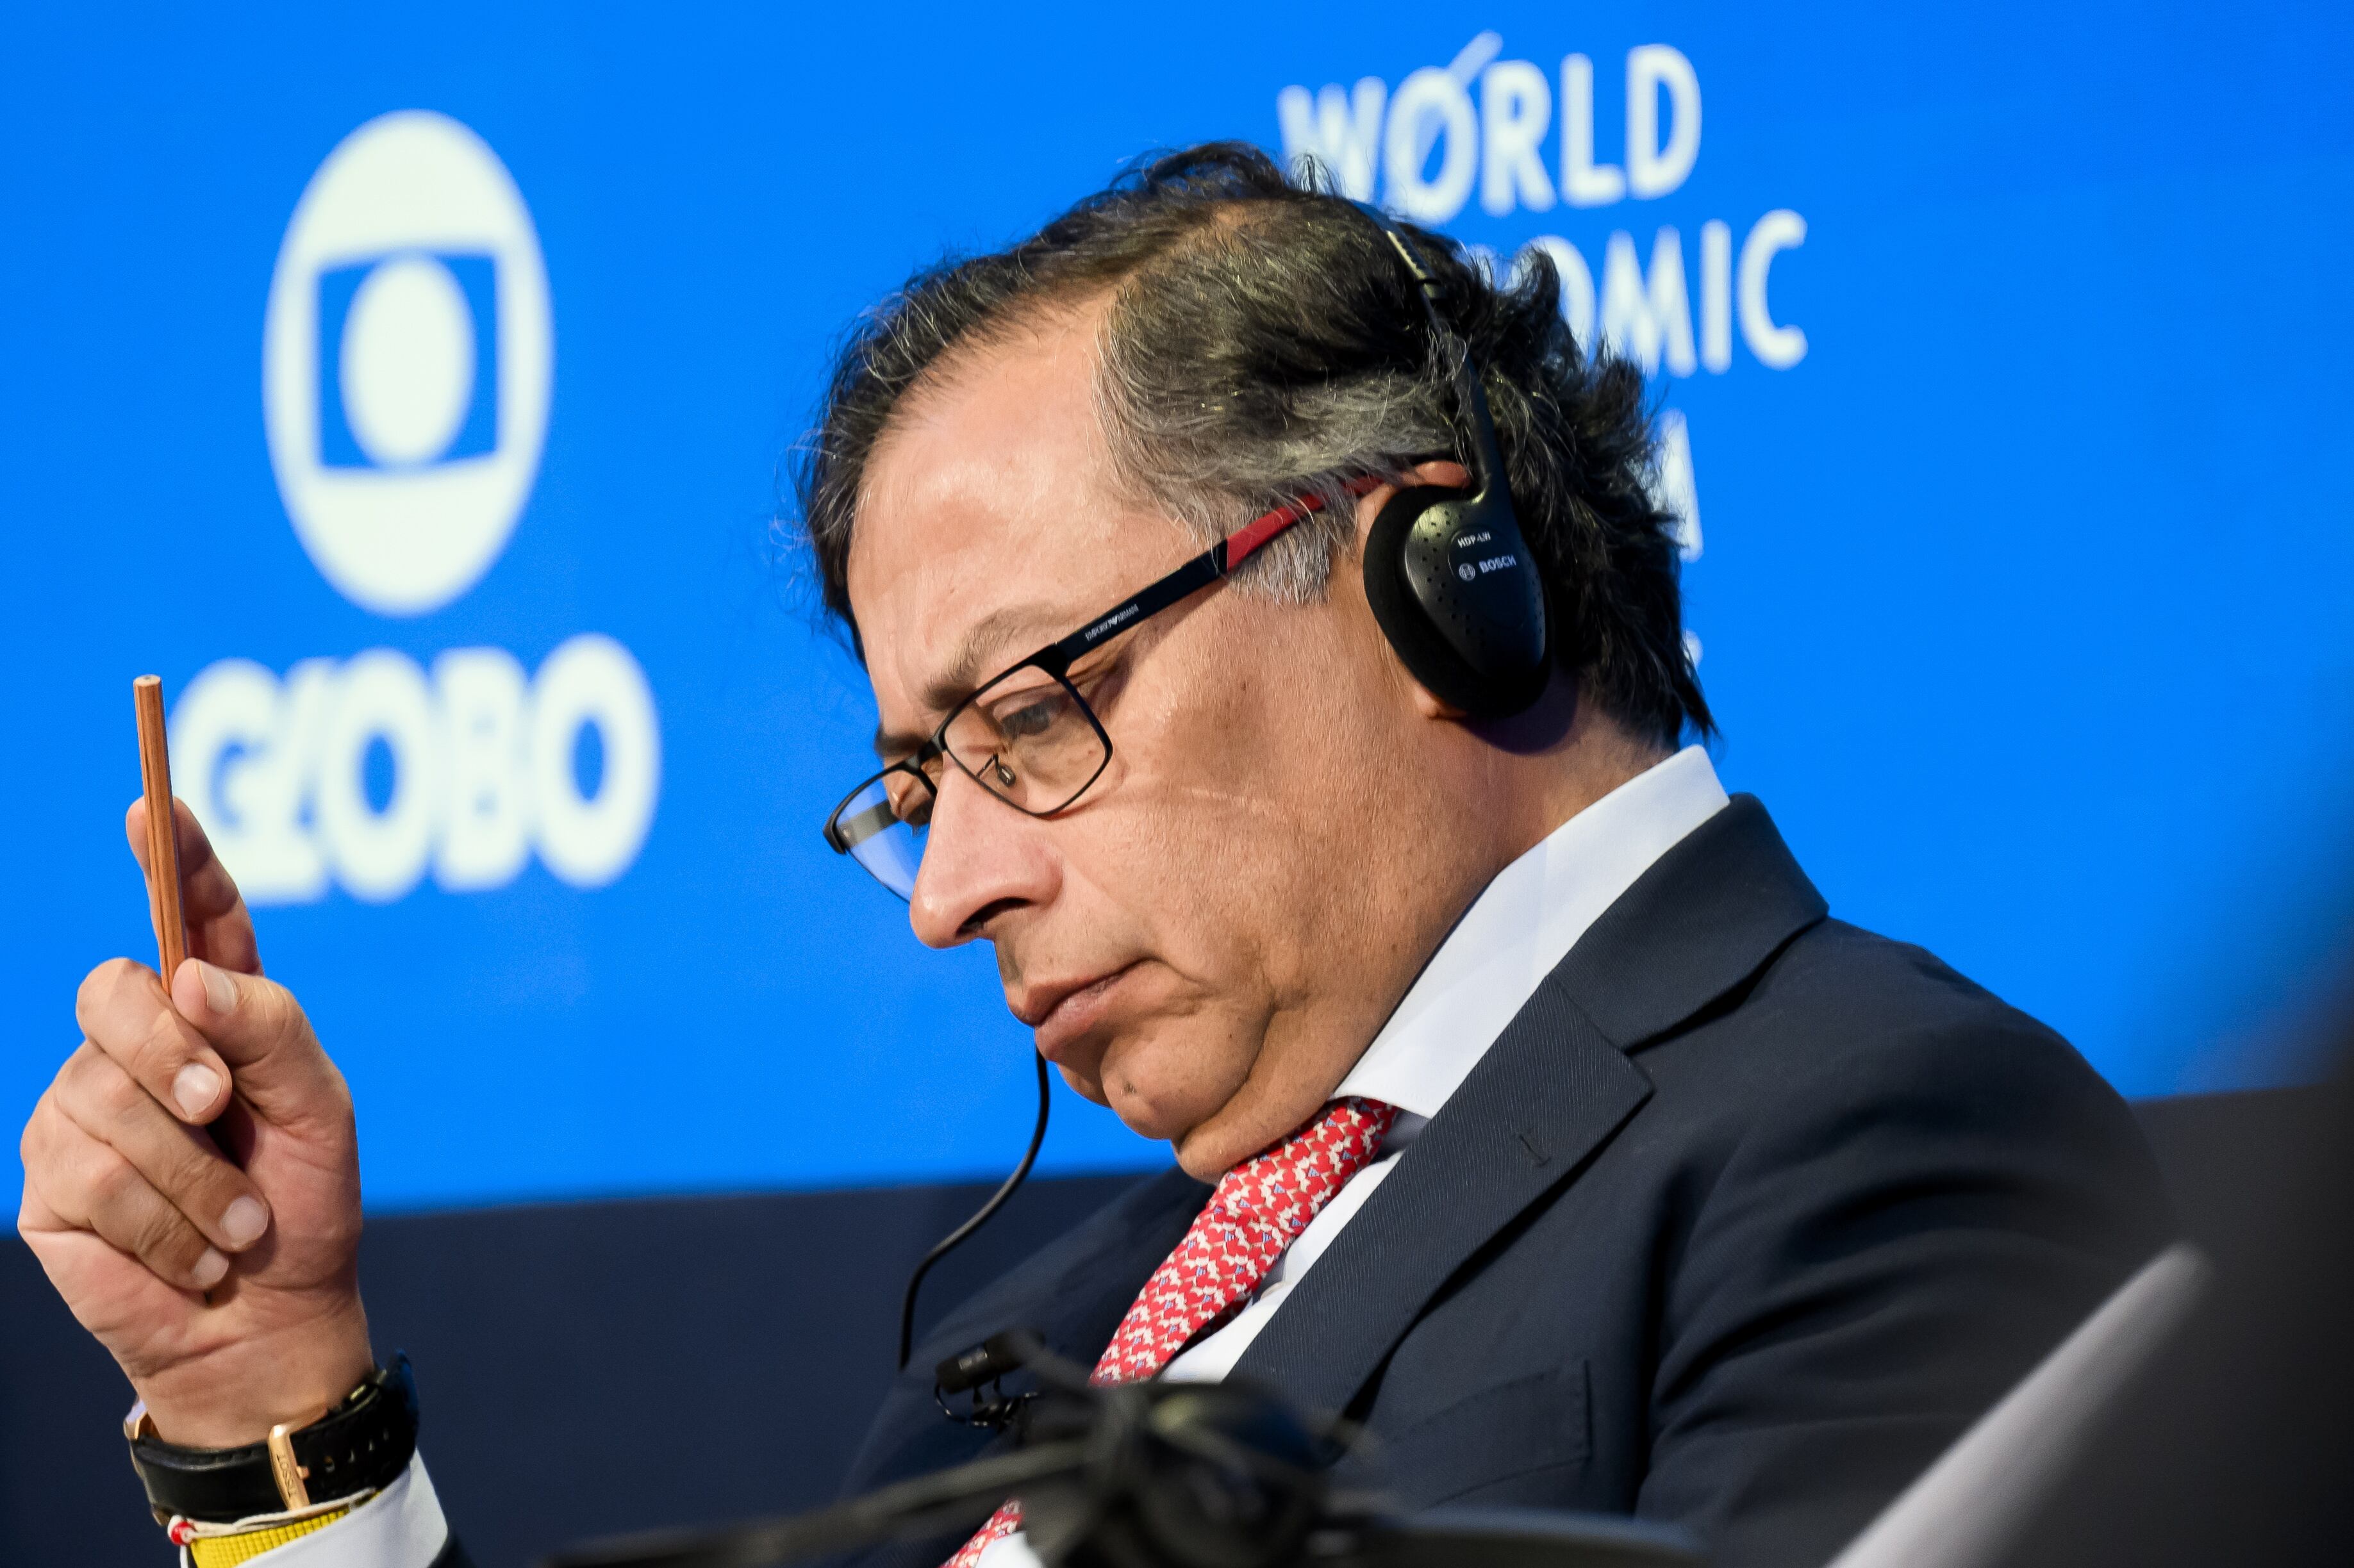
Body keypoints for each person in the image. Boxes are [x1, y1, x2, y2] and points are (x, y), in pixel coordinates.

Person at [18, 144, 2170, 1568]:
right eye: (913, 781)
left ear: (1433, 579)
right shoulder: (1060, 1339)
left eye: (1028, 716)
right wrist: (275, 1411)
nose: (946, 891)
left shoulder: (1881, 1144)